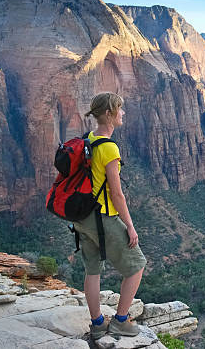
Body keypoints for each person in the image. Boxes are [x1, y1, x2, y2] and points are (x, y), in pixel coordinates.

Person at [76, 92, 146, 339]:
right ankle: (120, 321)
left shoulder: (89, 138)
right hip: (103, 218)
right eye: (120, 109)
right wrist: (130, 225)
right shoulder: (109, 148)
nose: (123, 113)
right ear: (109, 113)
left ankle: (97, 324)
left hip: (82, 217)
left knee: (92, 270)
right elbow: (117, 194)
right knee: (137, 266)